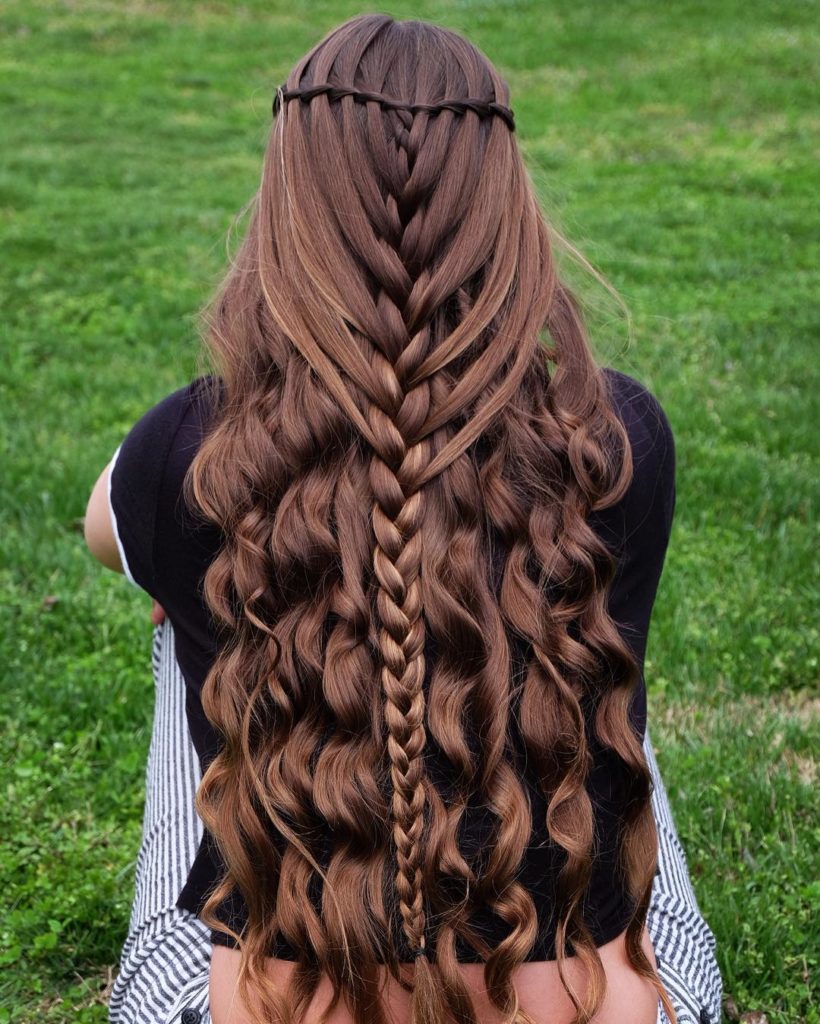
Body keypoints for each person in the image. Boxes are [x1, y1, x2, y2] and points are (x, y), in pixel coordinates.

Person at [83, 13, 722, 1024]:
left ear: (289, 209)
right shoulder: (615, 436)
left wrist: (196, 554)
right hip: (600, 1006)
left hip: (261, 1008)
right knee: (581, 658)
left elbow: (99, 528)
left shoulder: (190, 451)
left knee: (187, 602)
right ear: (501, 205)